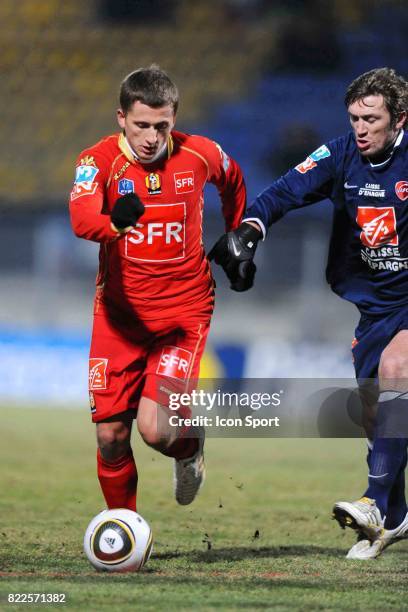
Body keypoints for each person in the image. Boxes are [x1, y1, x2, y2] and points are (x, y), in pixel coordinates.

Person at [209, 67, 408, 559]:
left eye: (372, 118)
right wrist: (250, 230)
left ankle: (374, 503)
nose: (361, 128)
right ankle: (396, 516)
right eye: (354, 117)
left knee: (396, 370)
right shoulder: (342, 154)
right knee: (374, 413)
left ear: (399, 118)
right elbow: (284, 191)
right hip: (375, 306)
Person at [69, 66, 246, 512]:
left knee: (155, 430)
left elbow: (234, 180)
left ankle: (189, 447)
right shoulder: (97, 161)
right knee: (110, 435)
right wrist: (114, 223)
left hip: (182, 315)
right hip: (119, 318)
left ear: (174, 119)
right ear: (121, 118)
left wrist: (238, 237)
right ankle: (123, 531)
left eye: (161, 126)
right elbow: (81, 218)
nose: (151, 137)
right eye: (141, 125)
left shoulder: (200, 154)